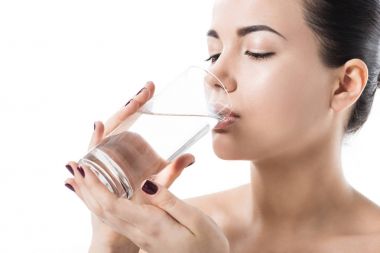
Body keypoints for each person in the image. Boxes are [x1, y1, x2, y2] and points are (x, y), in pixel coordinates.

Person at [64, 0, 380, 252]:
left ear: (344, 85)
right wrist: (111, 245)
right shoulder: (164, 236)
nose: (216, 76)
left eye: (257, 51)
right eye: (214, 54)